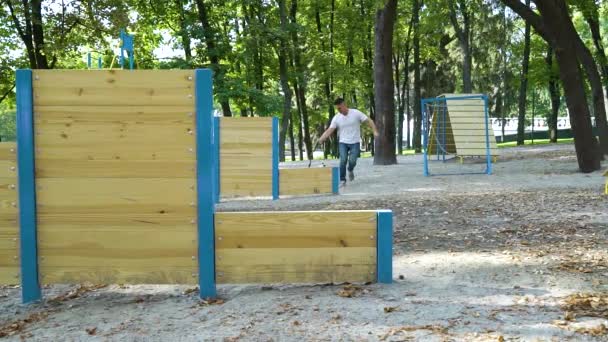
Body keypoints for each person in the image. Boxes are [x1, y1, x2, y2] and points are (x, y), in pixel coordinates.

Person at [319, 98, 379, 186]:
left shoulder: (356, 113)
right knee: (343, 160)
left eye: (339, 108)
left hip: (355, 142)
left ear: (344, 105)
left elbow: (369, 121)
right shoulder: (337, 118)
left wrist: (375, 131)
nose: (338, 111)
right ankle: (342, 180)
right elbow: (329, 130)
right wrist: (321, 138)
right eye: (337, 109)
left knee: (352, 161)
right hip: (343, 142)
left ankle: (350, 169)